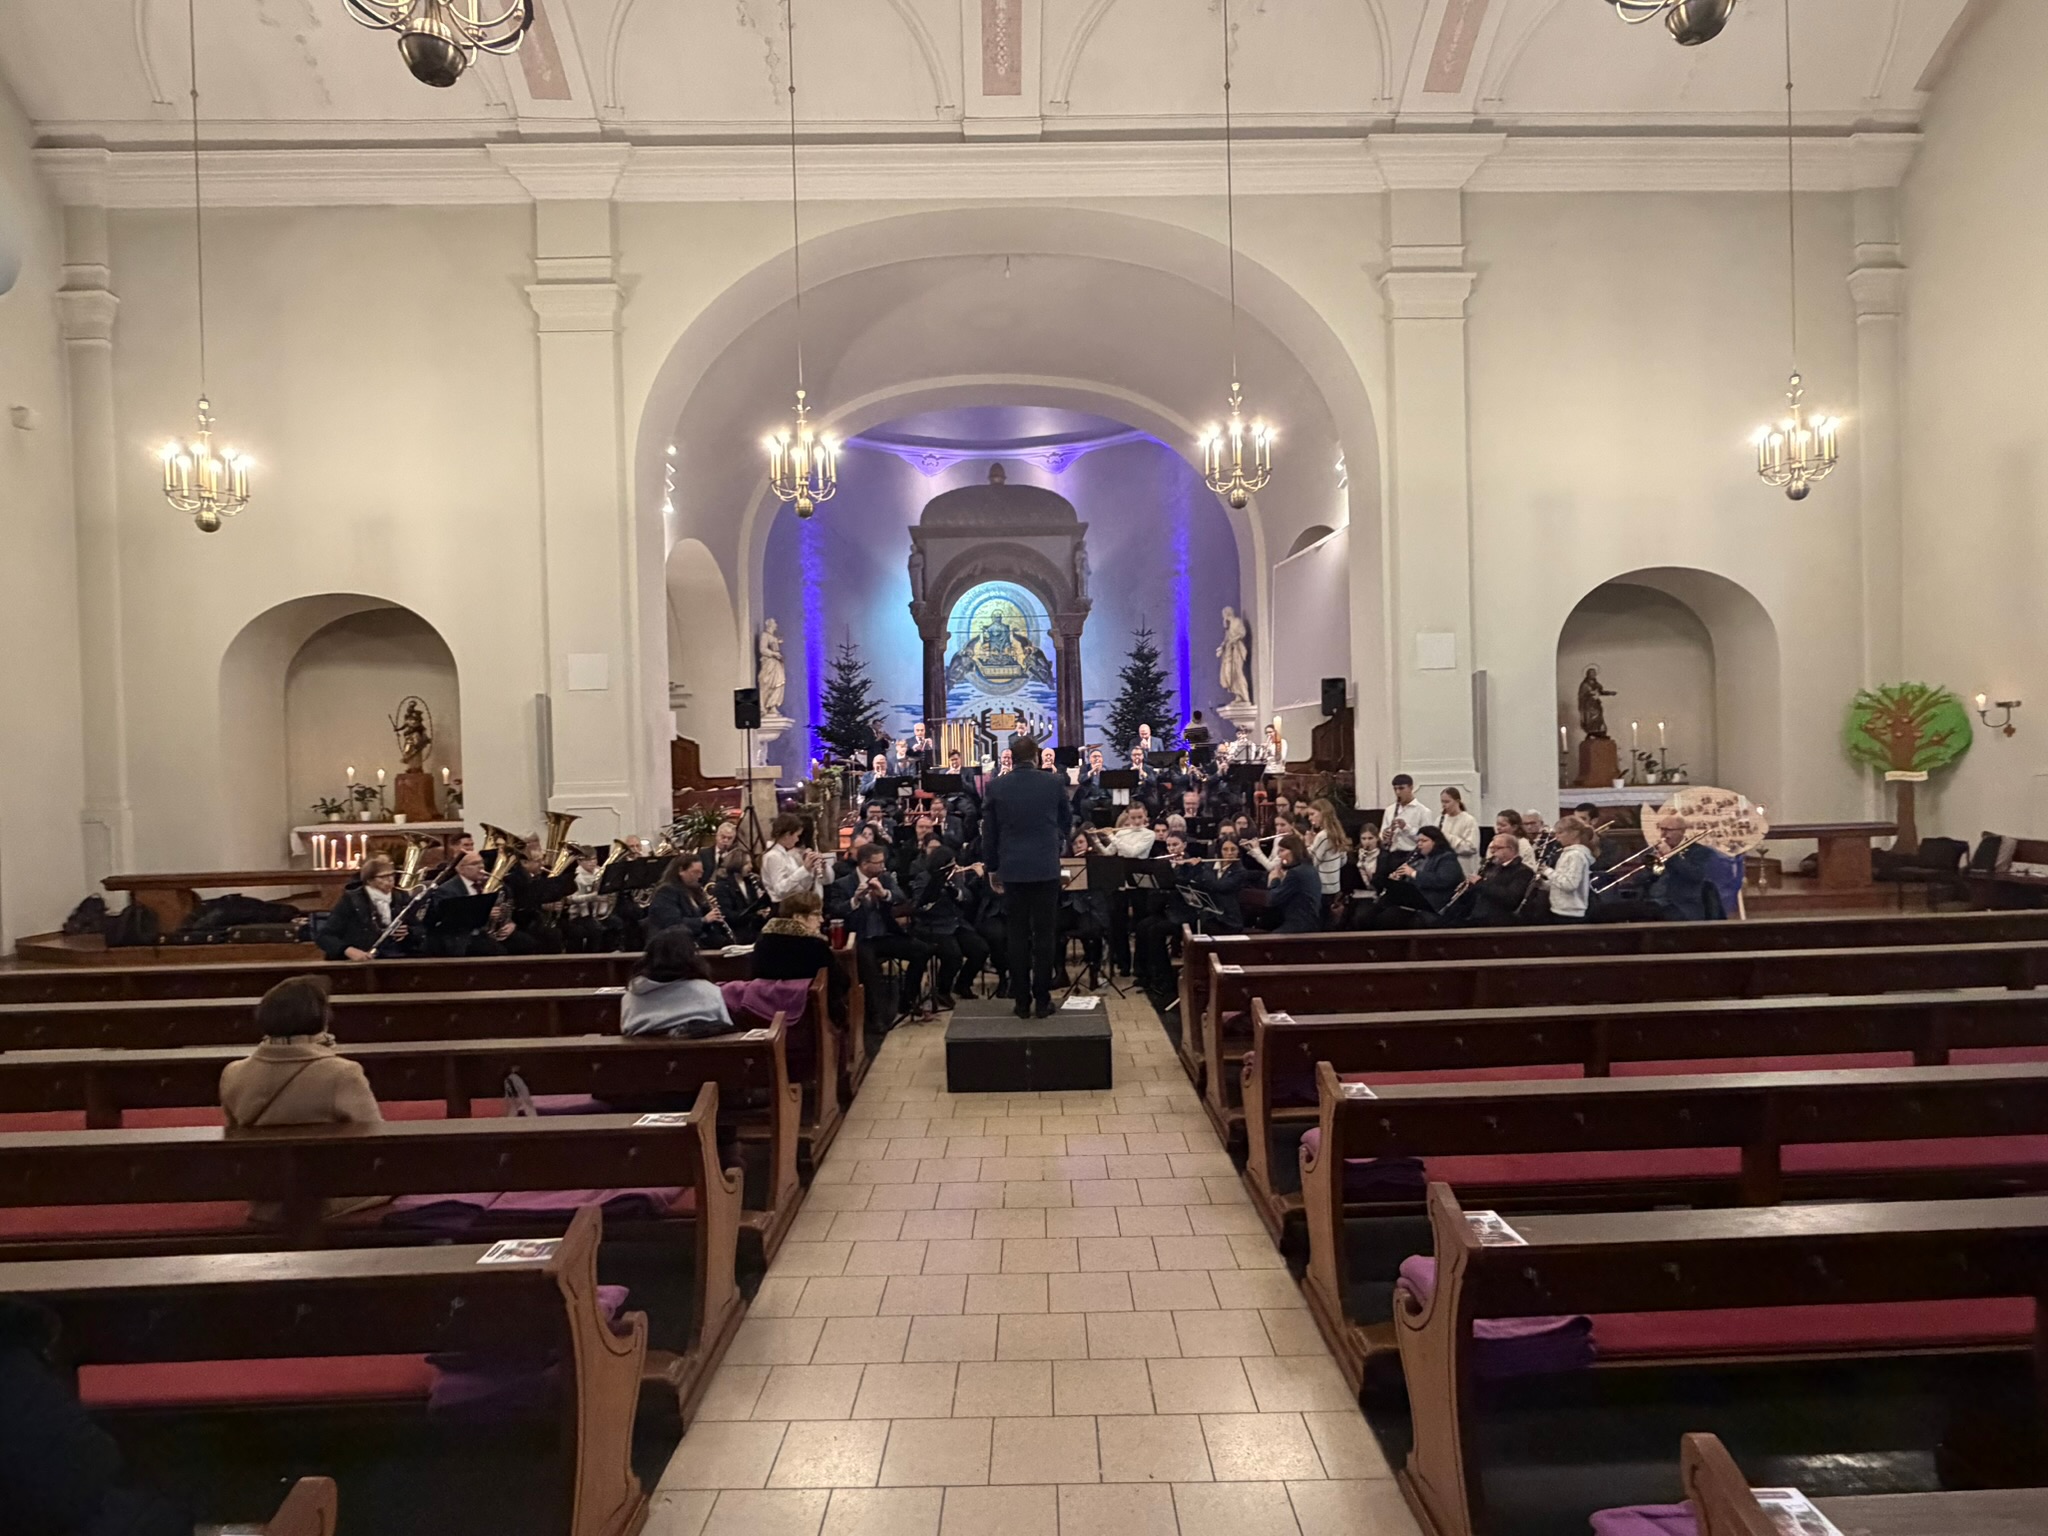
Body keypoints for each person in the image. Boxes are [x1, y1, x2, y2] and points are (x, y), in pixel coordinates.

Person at [220, 976, 385, 1222]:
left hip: (266, 1197)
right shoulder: (342, 1072)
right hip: (328, 1196)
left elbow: (235, 1132)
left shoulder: (233, 1072)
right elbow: (377, 1138)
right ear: (321, 1019)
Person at [980, 730, 1074, 1019]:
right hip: (1045, 867)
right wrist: (1055, 840)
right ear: (1035, 757)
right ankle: (1042, 1000)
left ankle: (1021, 1001)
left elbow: (989, 832)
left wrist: (992, 867)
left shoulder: (997, 786)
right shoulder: (1054, 782)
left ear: (1012, 757)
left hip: (1013, 869)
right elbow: (1066, 821)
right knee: (1045, 935)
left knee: (1017, 935)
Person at [830, 842, 935, 1022]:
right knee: (870, 969)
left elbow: (900, 896)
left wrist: (884, 894)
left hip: (885, 934)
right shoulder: (843, 884)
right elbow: (835, 910)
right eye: (878, 863)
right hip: (861, 937)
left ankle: (907, 1000)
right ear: (864, 864)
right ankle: (877, 1017)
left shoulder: (885, 878)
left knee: (922, 950)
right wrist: (855, 900)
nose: (882, 866)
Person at [910, 846, 990, 1008]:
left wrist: (957, 893)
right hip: (934, 925)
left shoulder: (956, 876)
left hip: (956, 923)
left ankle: (963, 984)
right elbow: (920, 905)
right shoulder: (923, 878)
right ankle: (943, 990)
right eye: (951, 863)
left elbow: (967, 897)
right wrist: (938, 890)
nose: (956, 866)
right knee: (953, 956)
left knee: (980, 949)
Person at [620, 926, 734, 1037]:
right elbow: (726, 1027)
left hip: (644, 1050)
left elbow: (626, 1029)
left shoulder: (631, 996)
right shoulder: (708, 991)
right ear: (691, 957)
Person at [751, 890, 850, 1015]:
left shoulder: (762, 942)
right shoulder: (814, 945)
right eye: (816, 914)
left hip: (767, 1012)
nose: (821, 920)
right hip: (811, 1014)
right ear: (798, 917)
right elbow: (842, 982)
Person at [318, 853, 412, 961]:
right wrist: (348, 950)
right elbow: (324, 936)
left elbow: (418, 929)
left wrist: (408, 932)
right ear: (369, 880)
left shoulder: (401, 896)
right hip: (359, 961)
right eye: (383, 877)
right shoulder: (352, 899)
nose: (390, 880)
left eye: (392, 875)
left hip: (395, 958)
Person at [423, 849, 515, 956]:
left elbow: (506, 905)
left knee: (523, 942)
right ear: (460, 869)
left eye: (481, 862)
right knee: (496, 951)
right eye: (475, 864)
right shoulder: (447, 890)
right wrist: (485, 914)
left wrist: (509, 923)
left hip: (484, 934)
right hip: (461, 937)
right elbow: (450, 920)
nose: (481, 867)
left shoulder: (489, 884)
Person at [1367, 826, 1463, 928]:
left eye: (1424, 841)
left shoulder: (1447, 858)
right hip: (1414, 903)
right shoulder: (1418, 858)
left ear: (1435, 842)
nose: (1419, 844)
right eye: (1418, 841)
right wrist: (1398, 880)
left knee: (1390, 918)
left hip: (1433, 906)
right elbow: (1410, 884)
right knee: (1373, 913)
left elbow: (1443, 880)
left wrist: (1413, 873)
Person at [1440, 833, 1535, 927]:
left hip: (1499, 921)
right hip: (1478, 916)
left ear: (1511, 849)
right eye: (1492, 848)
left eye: (1497, 848)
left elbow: (1510, 898)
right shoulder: (1491, 867)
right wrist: (1469, 888)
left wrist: (1480, 883)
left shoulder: (1523, 871)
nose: (1493, 852)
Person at [647, 852, 732, 948]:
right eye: (695, 872)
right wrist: (704, 920)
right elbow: (672, 924)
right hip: (672, 947)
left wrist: (708, 909)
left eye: (701, 873)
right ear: (681, 871)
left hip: (694, 943)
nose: (699, 877)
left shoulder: (694, 891)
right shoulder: (666, 891)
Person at [1260, 835, 1324, 933]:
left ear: (1294, 851)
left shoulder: (1295, 873)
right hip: (1312, 922)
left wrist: (1274, 879)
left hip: (1298, 924)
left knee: (1269, 938)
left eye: (1282, 851)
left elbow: (1273, 899)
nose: (1279, 855)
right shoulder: (1310, 868)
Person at [762, 812, 830, 903]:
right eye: (797, 836)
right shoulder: (773, 856)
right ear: (787, 835)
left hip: (795, 904)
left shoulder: (787, 856)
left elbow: (802, 887)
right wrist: (804, 869)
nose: (797, 839)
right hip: (782, 906)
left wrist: (810, 869)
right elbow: (780, 890)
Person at [711, 847, 770, 943]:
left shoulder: (750, 882)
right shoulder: (723, 886)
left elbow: (754, 906)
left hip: (752, 930)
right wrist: (754, 914)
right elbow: (728, 915)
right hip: (736, 932)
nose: (751, 866)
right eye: (747, 863)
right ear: (737, 864)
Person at [1378, 774, 1427, 886]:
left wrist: (1405, 828)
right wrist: (1384, 836)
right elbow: (1382, 832)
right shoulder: (1389, 810)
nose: (1398, 792)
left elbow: (1426, 839)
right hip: (1392, 855)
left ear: (1411, 788)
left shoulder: (1423, 811)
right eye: (1395, 789)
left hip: (1412, 856)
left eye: (1401, 788)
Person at [1543, 818, 1595, 922]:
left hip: (1571, 914)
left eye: (1560, 833)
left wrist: (1547, 871)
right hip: (1560, 910)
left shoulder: (1576, 855)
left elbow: (1570, 885)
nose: (1557, 837)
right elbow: (1561, 883)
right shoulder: (1567, 853)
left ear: (1574, 833)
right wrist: (1543, 884)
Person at [1304, 799, 1352, 908]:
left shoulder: (1322, 836)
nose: (1309, 818)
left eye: (1312, 814)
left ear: (1323, 813)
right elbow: (1343, 860)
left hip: (1322, 886)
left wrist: (1308, 844)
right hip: (1334, 885)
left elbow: (1313, 862)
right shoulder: (1337, 833)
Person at [1438, 787, 1482, 877]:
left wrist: (1448, 838)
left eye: (1447, 802)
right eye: (1442, 802)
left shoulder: (1469, 820)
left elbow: (1471, 847)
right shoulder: (1440, 819)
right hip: (1444, 867)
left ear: (1457, 801)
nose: (1444, 805)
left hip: (1463, 867)